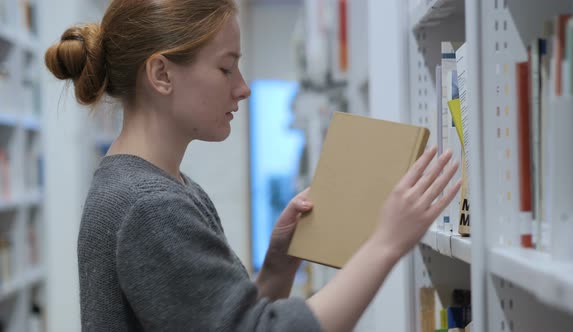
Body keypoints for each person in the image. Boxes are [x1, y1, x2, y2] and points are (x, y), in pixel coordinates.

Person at [44, 0, 461, 331]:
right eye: (226, 67)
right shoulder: (148, 206)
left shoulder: (163, 187)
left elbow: (219, 323)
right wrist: (387, 243)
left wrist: (277, 269)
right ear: (161, 74)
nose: (242, 88)